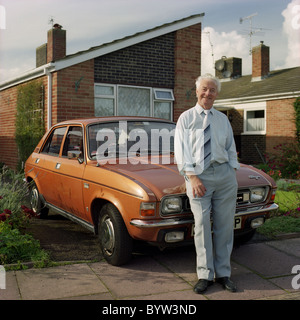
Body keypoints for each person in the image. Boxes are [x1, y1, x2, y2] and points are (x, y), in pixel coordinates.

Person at [174, 74, 240, 294]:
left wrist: (232, 171)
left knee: (225, 226)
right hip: (198, 176)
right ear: (196, 91)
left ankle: (223, 273)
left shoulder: (222, 119)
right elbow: (181, 152)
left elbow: (231, 147)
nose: (208, 93)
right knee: (201, 224)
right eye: (204, 89)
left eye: (212, 90)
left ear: (216, 94)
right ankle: (205, 274)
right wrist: (192, 178)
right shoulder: (186, 118)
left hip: (224, 176)